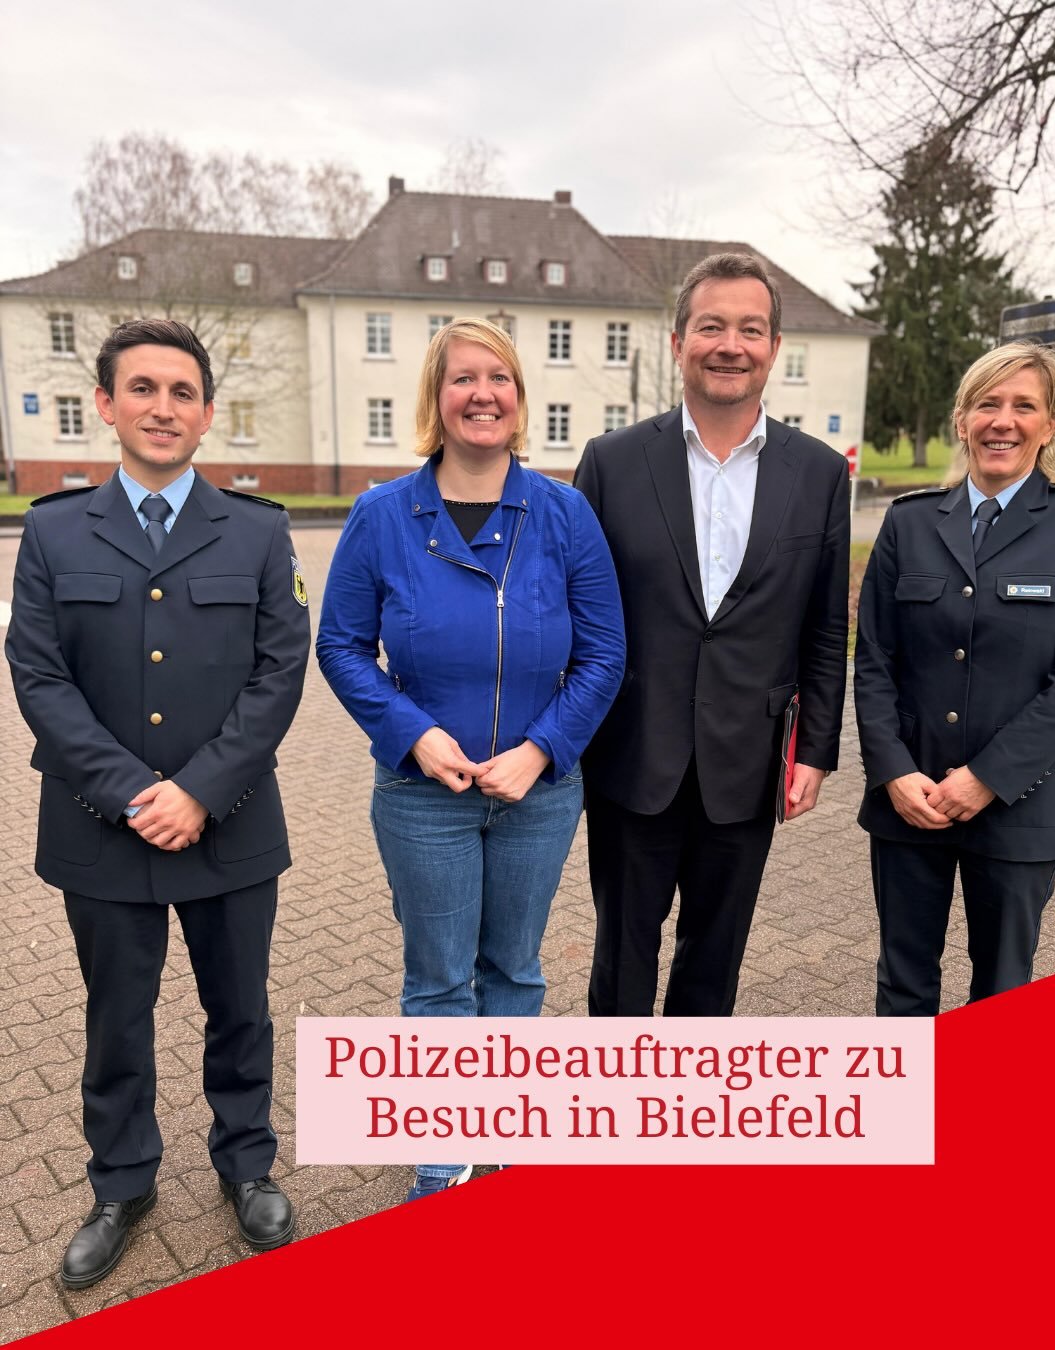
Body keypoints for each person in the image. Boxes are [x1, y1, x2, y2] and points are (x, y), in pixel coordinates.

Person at [5, 319, 309, 1288]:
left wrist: (200, 792)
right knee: (115, 1019)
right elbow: (37, 674)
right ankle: (122, 1181)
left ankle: (247, 1164)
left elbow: (278, 674)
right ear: (105, 405)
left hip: (231, 822)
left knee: (240, 1010)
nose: (163, 407)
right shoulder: (53, 530)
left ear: (208, 413)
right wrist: (138, 792)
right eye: (143, 388)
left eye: (183, 392)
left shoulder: (260, 532)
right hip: (104, 828)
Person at [317, 317, 624, 1198]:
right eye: (462, 378)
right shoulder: (382, 516)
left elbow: (605, 652)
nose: (481, 393)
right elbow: (339, 646)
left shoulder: (564, 515)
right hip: (422, 797)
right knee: (440, 976)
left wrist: (544, 749)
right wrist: (411, 731)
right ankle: (445, 1150)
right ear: (436, 399)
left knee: (515, 968)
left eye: (499, 377)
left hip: (538, 791)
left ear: (520, 399)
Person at [575, 253, 849, 1017]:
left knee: (715, 959)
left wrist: (817, 751)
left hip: (749, 763)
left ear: (773, 347)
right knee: (622, 954)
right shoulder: (612, 462)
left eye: (750, 329)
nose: (731, 344)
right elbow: (579, 617)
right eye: (712, 326)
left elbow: (827, 627)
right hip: (633, 757)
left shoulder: (820, 473)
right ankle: (612, 1117)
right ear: (677, 343)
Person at [855, 341, 1055, 1015]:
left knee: (1003, 991)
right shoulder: (910, 521)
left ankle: (986, 1124)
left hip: (1019, 805)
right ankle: (902, 1121)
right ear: (962, 420)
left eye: (1023, 406)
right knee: (903, 984)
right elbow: (874, 662)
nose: (1002, 421)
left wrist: (987, 778)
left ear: (1053, 424)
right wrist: (893, 772)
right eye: (987, 403)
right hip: (910, 800)